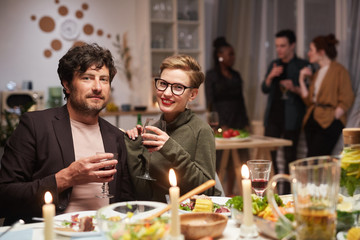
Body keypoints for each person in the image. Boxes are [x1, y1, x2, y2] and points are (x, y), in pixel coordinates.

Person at [0, 43, 134, 225]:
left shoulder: (116, 137)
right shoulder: (36, 125)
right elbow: (5, 196)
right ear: (67, 84)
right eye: (87, 78)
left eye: (104, 79)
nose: (97, 87)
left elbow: (124, 204)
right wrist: (66, 178)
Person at [126, 55, 220, 202]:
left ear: (192, 94)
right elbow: (143, 192)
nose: (167, 93)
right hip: (157, 217)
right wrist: (133, 148)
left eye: (178, 87)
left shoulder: (201, 131)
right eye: (163, 84)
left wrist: (170, 148)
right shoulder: (152, 131)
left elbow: (207, 190)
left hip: (188, 217)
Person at [205, 37, 250, 196]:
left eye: (234, 54)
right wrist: (218, 124)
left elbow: (241, 100)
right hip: (221, 119)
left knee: (236, 162)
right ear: (220, 56)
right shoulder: (211, 75)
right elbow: (210, 101)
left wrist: (246, 122)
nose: (233, 57)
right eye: (230, 54)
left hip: (237, 118)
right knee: (219, 160)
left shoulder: (236, 75)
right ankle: (217, 192)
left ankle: (231, 192)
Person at [261, 29, 309, 177]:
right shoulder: (274, 64)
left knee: (290, 157)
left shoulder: (302, 65)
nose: (279, 49)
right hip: (273, 116)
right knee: (271, 157)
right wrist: (270, 76)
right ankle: (273, 190)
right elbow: (264, 88)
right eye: (277, 46)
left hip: (292, 117)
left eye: (282, 46)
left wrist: (293, 88)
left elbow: (309, 93)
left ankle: (288, 193)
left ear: (292, 46)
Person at [299, 34, 354, 157]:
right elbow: (308, 101)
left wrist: (335, 115)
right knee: (312, 159)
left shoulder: (339, 70)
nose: (308, 53)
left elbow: (347, 97)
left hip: (329, 121)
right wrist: (302, 80)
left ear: (321, 52)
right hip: (313, 119)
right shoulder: (317, 73)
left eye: (311, 50)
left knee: (317, 159)